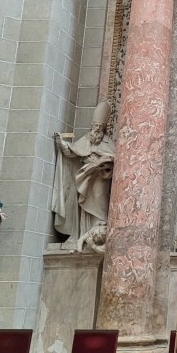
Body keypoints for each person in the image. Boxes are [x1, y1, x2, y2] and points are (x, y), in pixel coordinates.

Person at [52, 101, 116, 249]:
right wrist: (62, 142)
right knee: (84, 201)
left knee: (99, 201)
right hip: (86, 176)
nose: (96, 129)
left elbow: (115, 158)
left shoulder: (108, 142)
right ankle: (85, 230)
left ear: (104, 128)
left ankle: (98, 226)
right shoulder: (87, 139)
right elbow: (72, 151)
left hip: (100, 178)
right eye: (95, 126)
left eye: (99, 127)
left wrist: (104, 163)